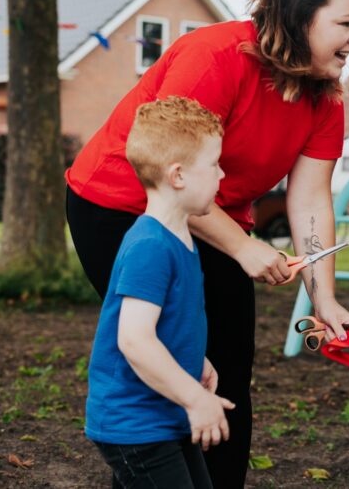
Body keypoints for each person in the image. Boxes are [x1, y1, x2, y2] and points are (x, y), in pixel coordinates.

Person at [66, 0, 349, 488]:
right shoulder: (214, 56)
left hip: (215, 211)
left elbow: (308, 199)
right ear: (300, 16)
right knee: (169, 351)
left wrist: (322, 297)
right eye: (345, 23)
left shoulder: (327, 97)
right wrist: (246, 248)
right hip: (121, 205)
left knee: (226, 367)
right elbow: (170, 175)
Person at [86, 97, 232, 489]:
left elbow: (168, 319)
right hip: (135, 424)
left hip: (164, 416)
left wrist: (194, 357)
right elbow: (134, 339)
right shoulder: (151, 246)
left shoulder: (179, 235)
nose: (222, 175)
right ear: (179, 176)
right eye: (215, 165)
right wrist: (196, 399)